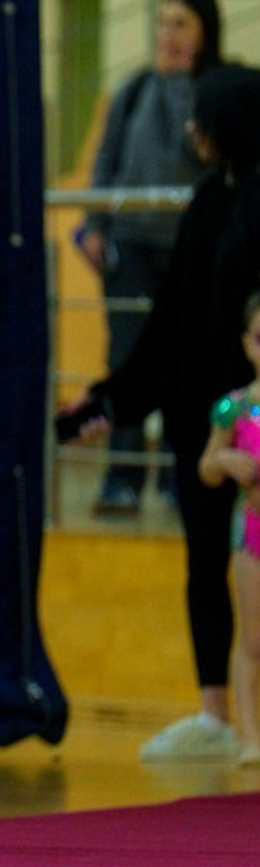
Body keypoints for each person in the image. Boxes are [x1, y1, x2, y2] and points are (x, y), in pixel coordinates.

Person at [62, 62, 260, 760]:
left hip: (252, 416)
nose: (189, 129)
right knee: (206, 559)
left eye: (202, 116)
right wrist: (114, 395)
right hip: (205, 417)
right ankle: (216, 712)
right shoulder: (211, 199)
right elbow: (172, 320)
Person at [76, 0, 222, 516]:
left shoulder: (213, 88)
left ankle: (176, 475)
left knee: (190, 363)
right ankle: (123, 476)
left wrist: (184, 84)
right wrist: (94, 223)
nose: (169, 34)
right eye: (163, 22)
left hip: (190, 250)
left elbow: (199, 150)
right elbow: (106, 160)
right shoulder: (133, 89)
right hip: (132, 246)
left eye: (181, 23)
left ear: (205, 31)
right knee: (128, 358)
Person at [197, 288, 260, 768]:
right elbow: (205, 467)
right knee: (253, 639)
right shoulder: (234, 407)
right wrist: (225, 458)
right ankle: (249, 735)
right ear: (246, 343)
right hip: (252, 533)